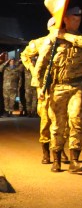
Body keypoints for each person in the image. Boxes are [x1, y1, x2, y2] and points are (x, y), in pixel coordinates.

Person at [34, 6, 82, 173]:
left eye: (79, 18)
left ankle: (74, 160)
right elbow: (41, 64)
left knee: (76, 121)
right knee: (57, 125)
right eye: (73, 18)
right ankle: (57, 159)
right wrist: (39, 87)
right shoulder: (52, 41)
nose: (77, 21)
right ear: (65, 19)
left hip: (77, 86)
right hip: (58, 87)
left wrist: (64, 35)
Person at [20, 18, 56, 164]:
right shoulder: (41, 42)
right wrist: (33, 70)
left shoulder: (66, 41)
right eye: (55, 26)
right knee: (46, 118)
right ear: (50, 27)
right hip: (44, 86)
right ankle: (46, 151)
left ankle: (58, 149)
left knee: (62, 120)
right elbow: (25, 55)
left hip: (62, 84)